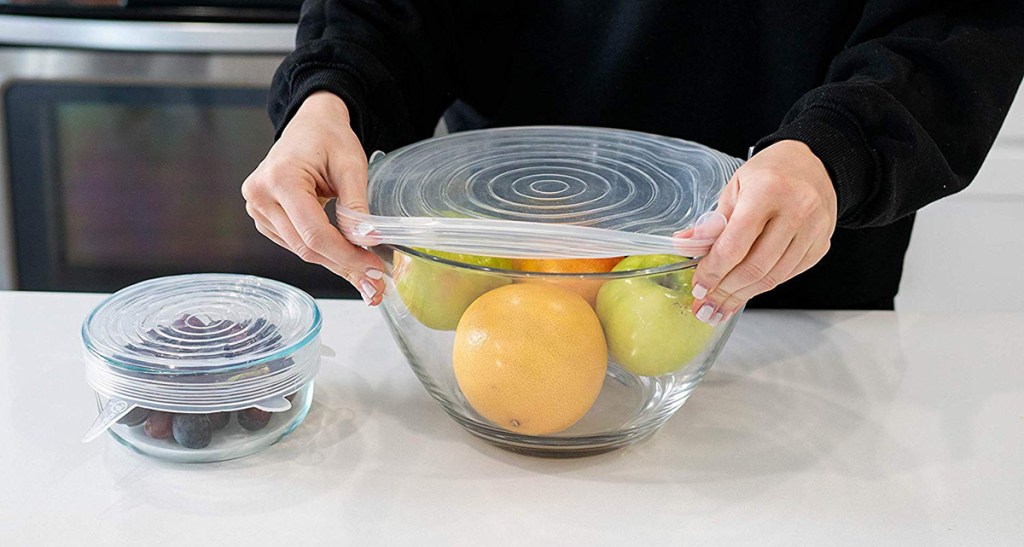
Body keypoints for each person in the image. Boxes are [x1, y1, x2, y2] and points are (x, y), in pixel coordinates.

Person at [242, 1, 1024, 324]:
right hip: (509, 280)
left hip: (784, 284)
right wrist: (332, 94)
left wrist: (839, 148)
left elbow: (954, 20)